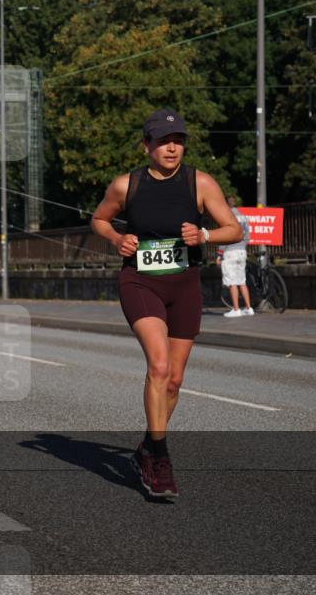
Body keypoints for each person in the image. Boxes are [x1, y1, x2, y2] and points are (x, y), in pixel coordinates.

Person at [90, 108, 241, 499]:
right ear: (147, 146)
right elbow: (100, 219)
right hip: (140, 282)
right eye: (163, 141)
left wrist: (204, 234)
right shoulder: (127, 186)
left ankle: (145, 446)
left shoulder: (200, 183)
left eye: (178, 141)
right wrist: (115, 239)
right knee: (158, 366)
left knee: (174, 379)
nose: (172, 147)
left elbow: (234, 229)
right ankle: (159, 457)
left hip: (185, 284)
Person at [218, 196, 254, 317]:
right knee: (242, 281)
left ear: (226, 205)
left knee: (232, 282)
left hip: (230, 252)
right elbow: (248, 236)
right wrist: (242, 245)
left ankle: (236, 309)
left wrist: (219, 254)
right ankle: (249, 308)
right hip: (242, 251)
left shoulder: (226, 217)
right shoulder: (243, 217)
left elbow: (224, 236)